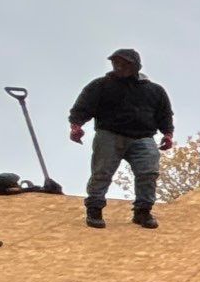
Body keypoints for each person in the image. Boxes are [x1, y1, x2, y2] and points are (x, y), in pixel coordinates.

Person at [68, 48, 174, 230]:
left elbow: (164, 114)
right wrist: (76, 126)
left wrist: (168, 134)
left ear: (135, 66)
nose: (119, 66)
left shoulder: (154, 90)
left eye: (124, 63)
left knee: (148, 173)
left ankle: (142, 212)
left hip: (143, 137)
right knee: (102, 173)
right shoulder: (101, 85)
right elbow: (82, 107)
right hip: (109, 135)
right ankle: (94, 209)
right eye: (115, 63)